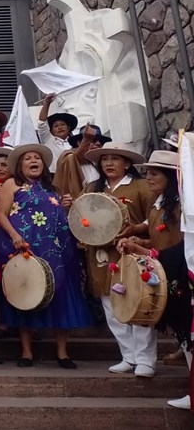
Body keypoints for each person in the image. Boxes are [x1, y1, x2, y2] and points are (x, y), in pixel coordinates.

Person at [0, 144, 91, 369]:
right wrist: (15, 236)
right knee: (26, 294)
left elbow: (59, 219)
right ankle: (27, 352)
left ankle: (62, 353)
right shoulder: (12, 184)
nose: (33, 161)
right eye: (28, 158)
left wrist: (67, 208)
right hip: (25, 247)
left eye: (37, 158)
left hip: (57, 249)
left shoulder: (52, 188)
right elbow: (1, 215)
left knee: (61, 294)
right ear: (20, 165)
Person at [67, 142, 155, 377]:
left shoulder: (141, 187)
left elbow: (154, 219)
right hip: (101, 256)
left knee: (137, 305)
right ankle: (128, 356)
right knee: (111, 307)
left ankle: (146, 359)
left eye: (115, 159)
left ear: (127, 163)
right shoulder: (92, 188)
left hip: (132, 253)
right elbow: (82, 217)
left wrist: (136, 232)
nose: (109, 163)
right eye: (105, 159)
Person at [113, 151, 188, 407]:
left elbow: (180, 245)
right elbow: (157, 236)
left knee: (189, 336)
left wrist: (145, 250)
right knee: (187, 338)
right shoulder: (159, 204)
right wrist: (138, 241)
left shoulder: (181, 205)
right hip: (166, 270)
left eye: (154, 173)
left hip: (181, 273)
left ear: (170, 177)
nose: (149, 178)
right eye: (147, 173)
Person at [54, 124, 112, 198]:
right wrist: (87, 140)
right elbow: (73, 159)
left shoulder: (102, 163)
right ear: (79, 143)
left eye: (100, 141)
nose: (98, 143)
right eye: (93, 140)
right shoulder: (67, 157)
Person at [37, 94, 78, 172]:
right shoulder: (48, 140)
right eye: (56, 126)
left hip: (72, 177)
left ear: (68, 128)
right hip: (53, 177)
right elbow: (42, 123)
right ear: (51, 130)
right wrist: (47, 103)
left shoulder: (75, 143)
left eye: (63, 125)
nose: (60, 127)